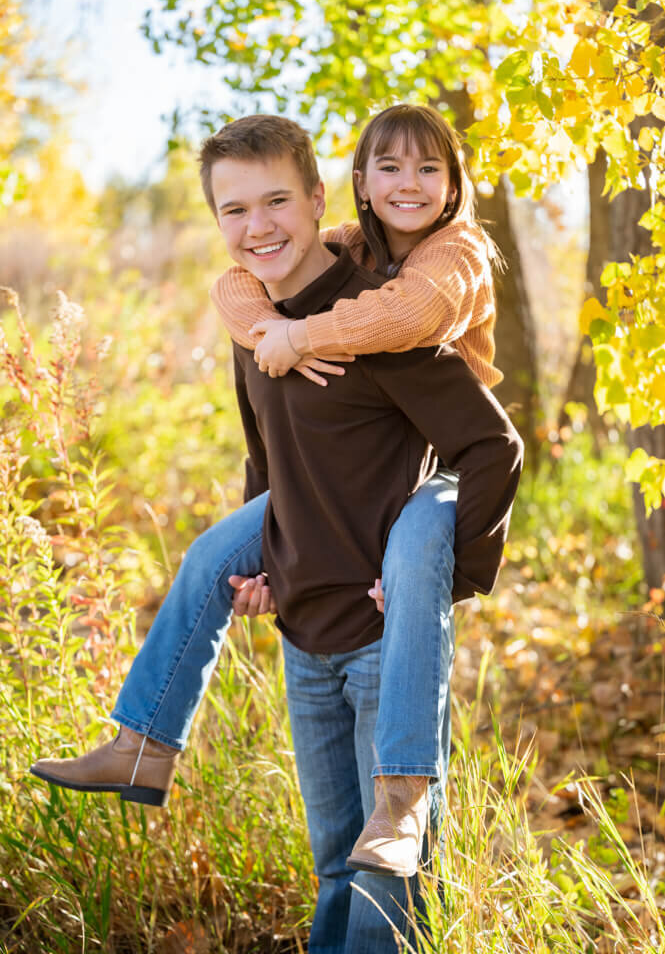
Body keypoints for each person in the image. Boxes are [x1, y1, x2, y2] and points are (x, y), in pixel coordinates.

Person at [29, 111, 520, 937]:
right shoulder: (251, 320)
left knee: (387, 880)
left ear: (320, 197)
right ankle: (146, 741)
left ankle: (405, 792)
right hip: (305, 632)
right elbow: (268, 460)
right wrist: (266, 567)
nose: (258, 227)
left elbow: (490, 447)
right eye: (234, 210)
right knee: (334, 864)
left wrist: (445, 578)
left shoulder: (387, 317)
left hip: (383, 637)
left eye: (276, 203)